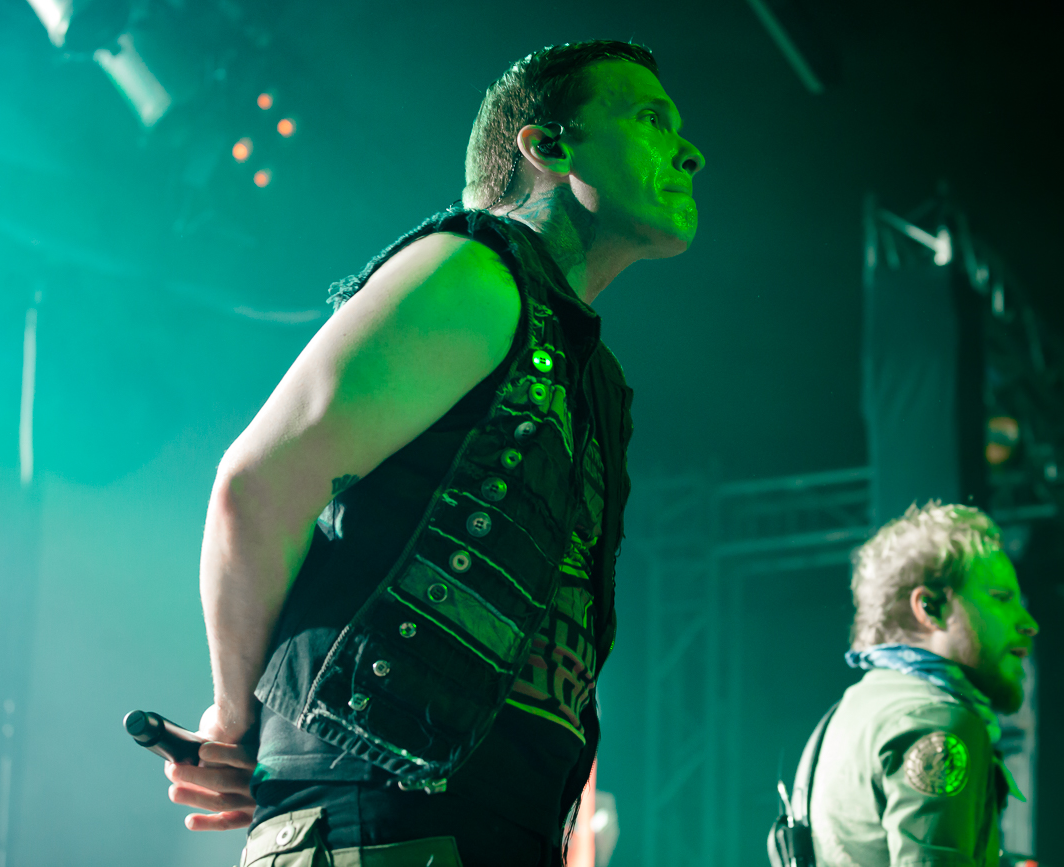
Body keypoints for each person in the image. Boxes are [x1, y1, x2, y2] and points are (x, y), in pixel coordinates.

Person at [162, 40, 704, 867]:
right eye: (651, 119)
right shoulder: (474, 274)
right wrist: (235, 722)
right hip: (372, 819)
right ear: (547, 147)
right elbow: (257, 485)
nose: (689, 151)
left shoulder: (593, 375)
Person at [806, 502, 1039, 867]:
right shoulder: (936, 720)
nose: (1028, 623)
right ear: (931, 607)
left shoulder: (852, 711)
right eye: (1002, 598)